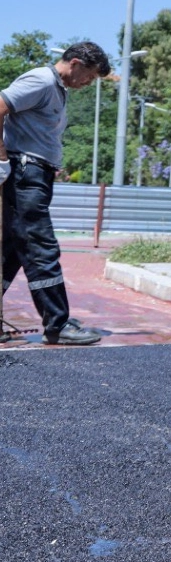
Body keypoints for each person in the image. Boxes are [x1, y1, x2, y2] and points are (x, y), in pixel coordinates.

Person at [0, 42, 111, 345]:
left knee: (10, 252)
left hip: (34, 173)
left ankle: (56, 320)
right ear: (75, 63)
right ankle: (57, 325)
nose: (88, 83)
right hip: (24, 174)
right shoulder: (41, 80)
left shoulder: (56, 88)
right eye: (88, 76)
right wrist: (1, 157)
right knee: (41, 248)